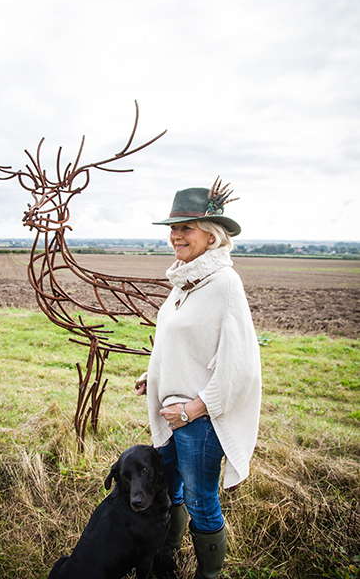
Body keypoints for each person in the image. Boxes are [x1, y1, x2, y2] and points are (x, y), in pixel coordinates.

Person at [135, 177, 262, 579]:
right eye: (173, 229)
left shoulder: (224, 283)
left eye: (185, 228)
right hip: (173, 414)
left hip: (200, 422)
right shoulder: (184, 281)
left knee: (200, 499)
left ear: (211, 236)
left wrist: (193, 409)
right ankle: (164, 561)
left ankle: (207, 576)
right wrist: (153, 374)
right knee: (169, 490)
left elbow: (239, 362)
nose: (175, 236)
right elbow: (183, 343)